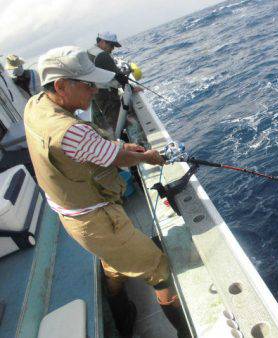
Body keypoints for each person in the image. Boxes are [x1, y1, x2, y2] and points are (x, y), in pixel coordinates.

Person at [23, 46, 189, 338]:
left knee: (114, 264)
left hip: (72, 215)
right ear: (60, 85)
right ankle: (184, 331)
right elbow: (116, 157)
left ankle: (123, 313)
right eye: (88, 84)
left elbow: (100, 149)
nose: (95, 89)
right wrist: (148, 156)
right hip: (95, 219)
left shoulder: (36, 105)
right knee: (159, 267)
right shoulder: (70, 132)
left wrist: (124, 149)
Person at [87, 31, 131, 133]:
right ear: (102, 42)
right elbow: (119, 76)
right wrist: (131, 88)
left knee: (104, 119)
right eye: (111, 45)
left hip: (94, 92)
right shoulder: (102, 55)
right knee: (115, 119)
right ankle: (119, 142)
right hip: (105, 94)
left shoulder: (90, 51)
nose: (112, 49)